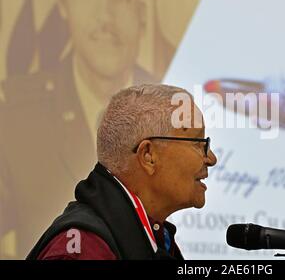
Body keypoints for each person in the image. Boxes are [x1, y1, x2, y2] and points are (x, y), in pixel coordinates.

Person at [0, 0, 158, 258]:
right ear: (64, 3)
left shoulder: (174, 117)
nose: (105, 18)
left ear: (142, 14)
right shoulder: (16, 118)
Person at [27, 84, 217, 260]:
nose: (211, 158)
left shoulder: (155, 238)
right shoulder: (84, 248)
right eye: (198, 143)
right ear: (148, 155)